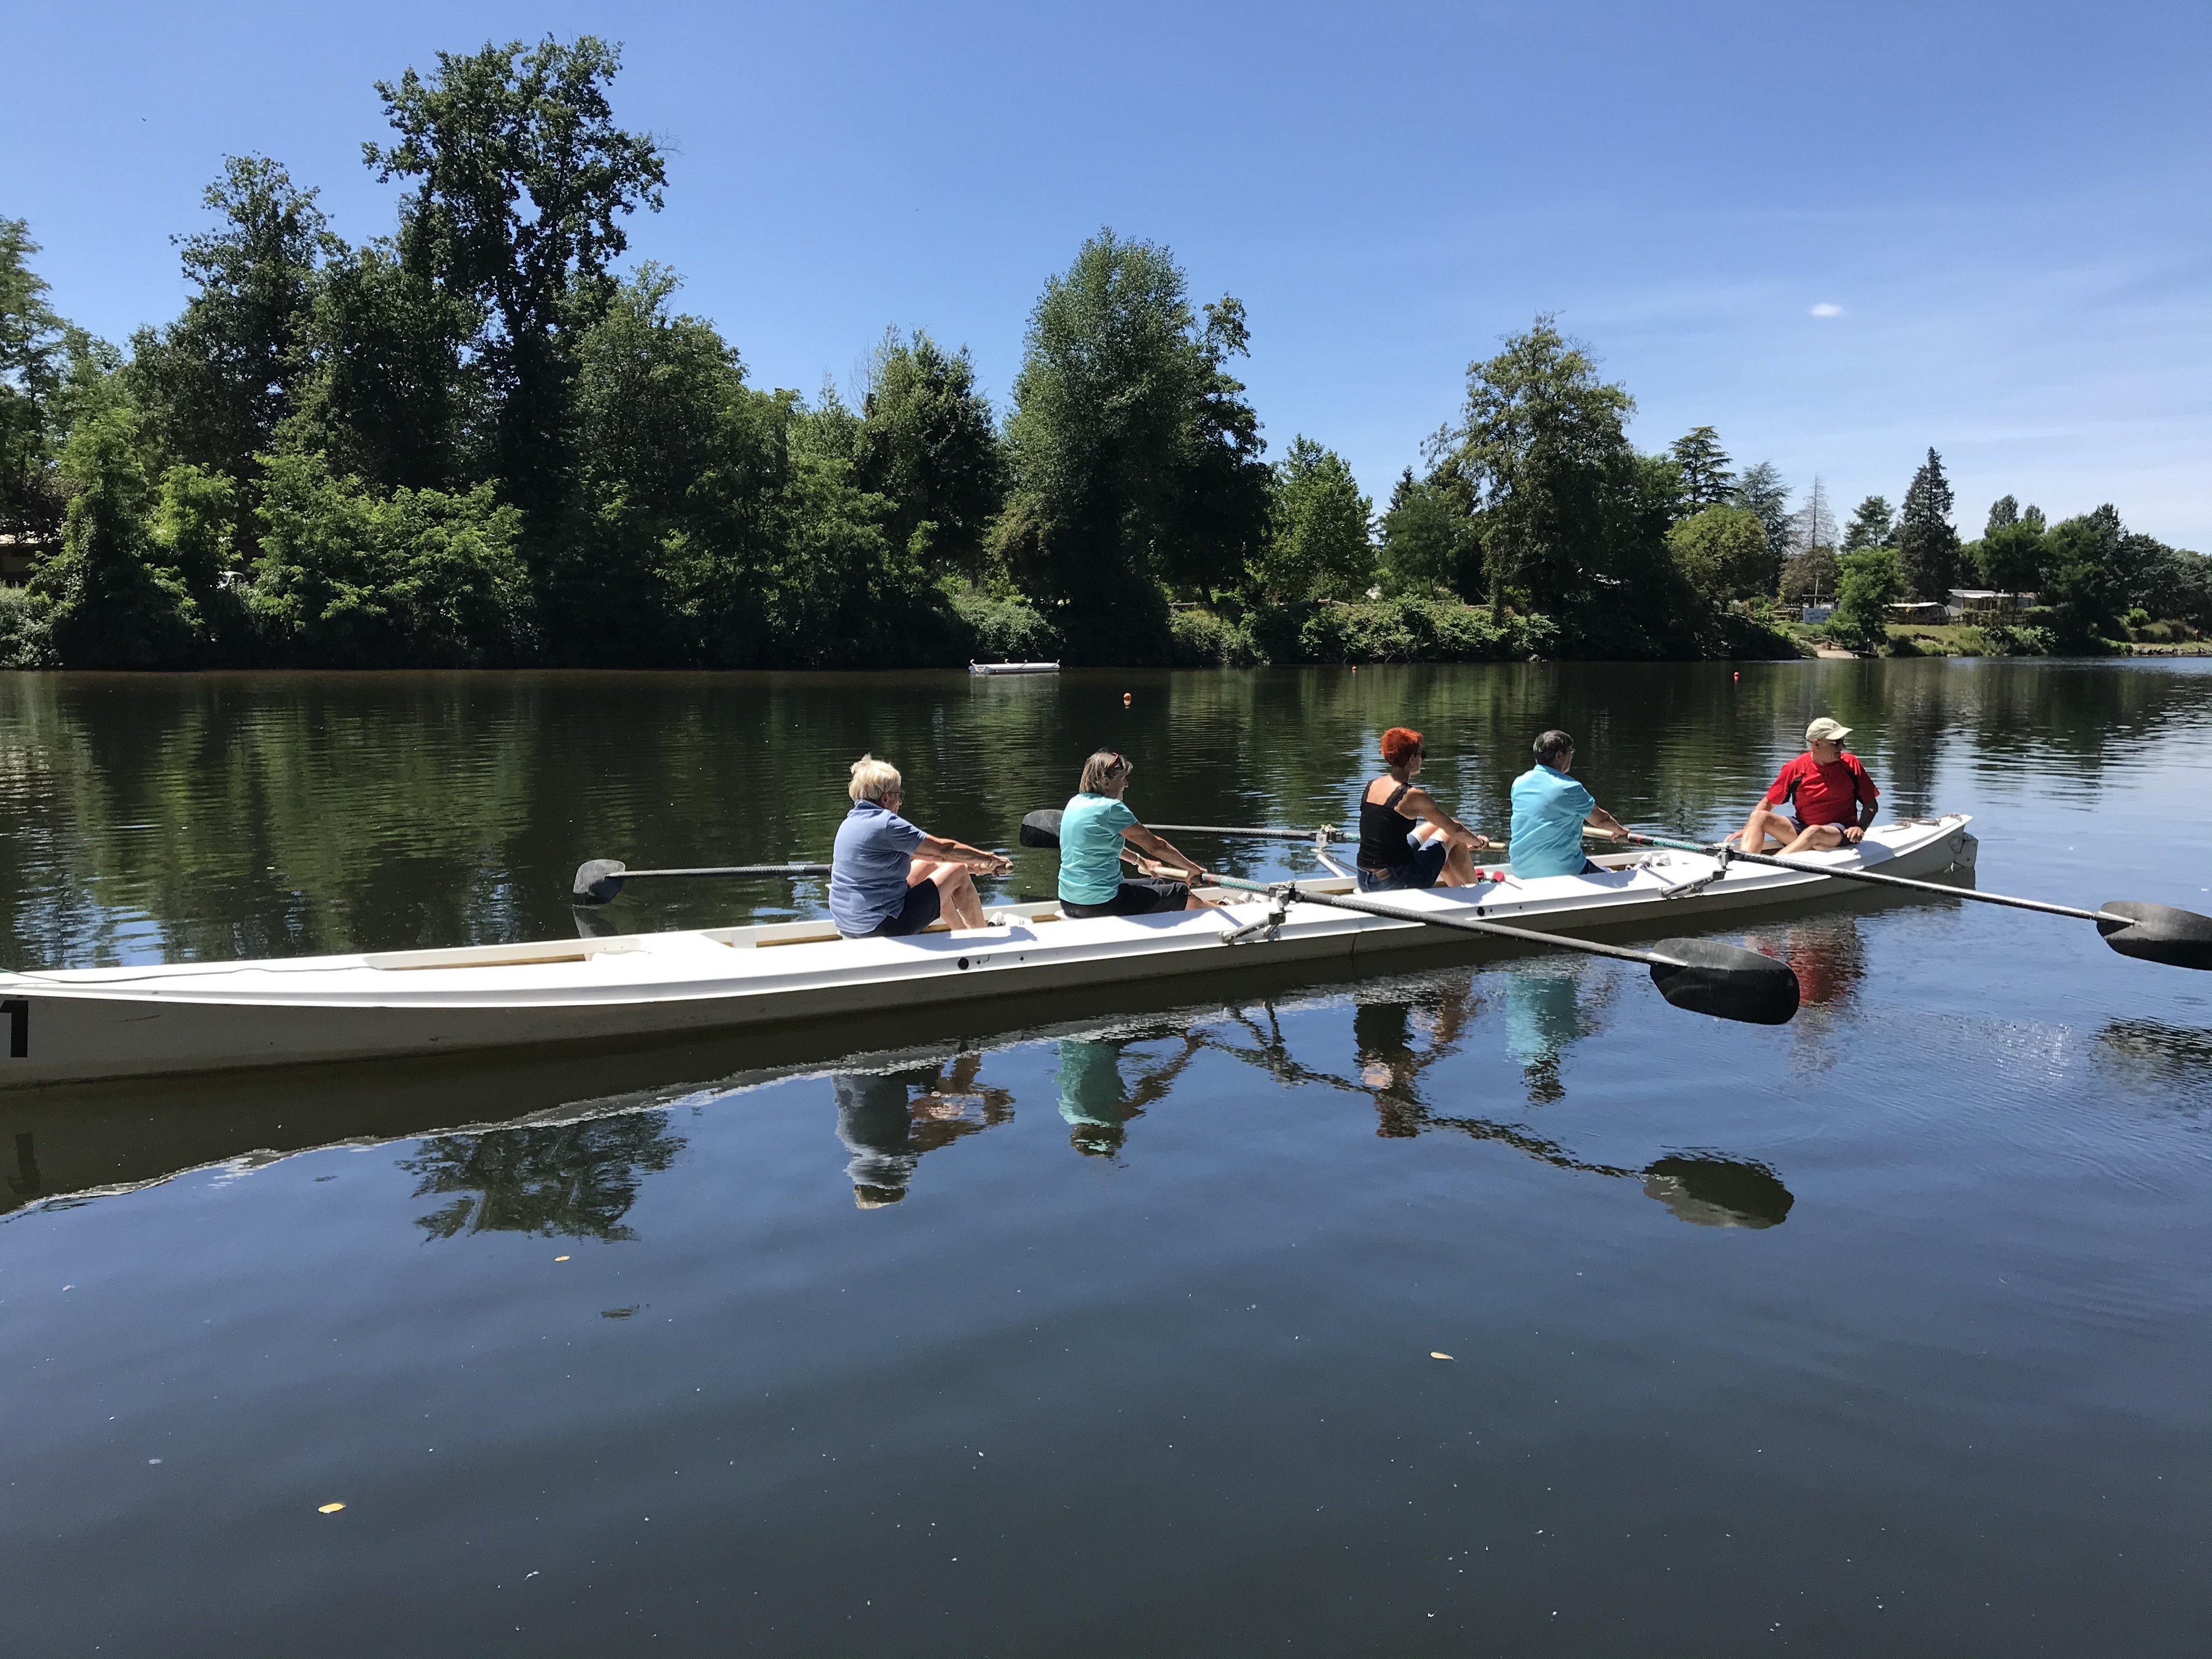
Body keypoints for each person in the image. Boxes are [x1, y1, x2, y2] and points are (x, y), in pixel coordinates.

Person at [830, 755, 1009, 938]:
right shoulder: (886, 824)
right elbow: (944, 851)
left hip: (848, 924)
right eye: (899, 796)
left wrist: (978, 867)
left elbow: (930, 857)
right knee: (958, 870)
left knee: (926, 865)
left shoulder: (849, 823)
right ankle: (982, 941)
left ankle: (962, 934)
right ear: (886, 799)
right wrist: (988, 858)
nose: (900, 802)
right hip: (886, 925)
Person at [1057, 751, 1220, 916]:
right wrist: (1193, 869)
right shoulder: (1111, 808)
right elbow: (1156, 846)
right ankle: (1229, 917)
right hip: (1102, 903)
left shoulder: (1075, 803)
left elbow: (1100, 845)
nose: (1126, 784)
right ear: (1106, 782)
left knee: (1156, 882)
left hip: (1068, 900)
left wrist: (1141, 861)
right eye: (1122, 779)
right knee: (1181, 892)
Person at [1355, 727, 1493, 892]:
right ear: (1412, 759)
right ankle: (1477, 893)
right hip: (1394, 881)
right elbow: (1455, 830)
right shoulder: (1413, 795)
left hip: (1364, 878)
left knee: (1436, 826)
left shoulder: (1372, 785)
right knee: (1453, 834)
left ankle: (1459, 889)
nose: (1422, 759)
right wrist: (1479, 843)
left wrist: (1466, 839)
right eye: (1422, 755)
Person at [1735, 717, 1880, 855]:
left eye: (1842, 741)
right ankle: (1744, 866)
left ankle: (1773, 866)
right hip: (1803, 829)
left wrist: (1860, 827)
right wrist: (1749, 829)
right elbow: (1768, 803)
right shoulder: (1795, 768)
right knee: (1758, 817)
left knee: (1814, 832)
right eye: (1836, 743)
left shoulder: (1851, 764)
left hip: (1839, 833)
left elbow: (1871, 804)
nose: (1842, 747)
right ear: (1817, 744)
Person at [1507, 730, 1627, 878]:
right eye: (1571, 752)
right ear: (1559, 756)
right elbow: (1601, 820)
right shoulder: (1569, 787)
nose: (1572, 756)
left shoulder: (1519, 783)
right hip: (1563, 870)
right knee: (1617, 879)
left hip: (1521, 869)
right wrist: (1620, 830)